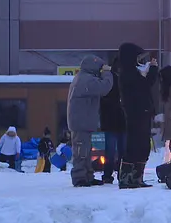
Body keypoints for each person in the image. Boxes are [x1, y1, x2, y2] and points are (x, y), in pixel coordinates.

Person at [67, 54, 114, 187]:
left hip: (82, 121)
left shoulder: (83, 78)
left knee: (86, 151)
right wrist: (107, 73)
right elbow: (105, 87)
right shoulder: (86, 80)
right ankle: (79, 177)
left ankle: (87, 176)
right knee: (81, 151)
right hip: (81, 122)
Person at [116, 43, 158, 189]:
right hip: (136, 113)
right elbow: (145, 86)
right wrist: (152, 69)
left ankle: (136, 178)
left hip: (141, 112)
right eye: (137, 57)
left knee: (142, 145)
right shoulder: (128, 73)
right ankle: (128, 178)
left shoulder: (130, 72)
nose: (139, 60)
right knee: (135, 145)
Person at [99, 51, 128, 185]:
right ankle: (120, 174)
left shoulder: (109, 79)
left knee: (111, 151)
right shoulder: (120, 80)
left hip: (111, 120)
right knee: (120, 150)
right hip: (119, 120)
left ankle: (108, 175)